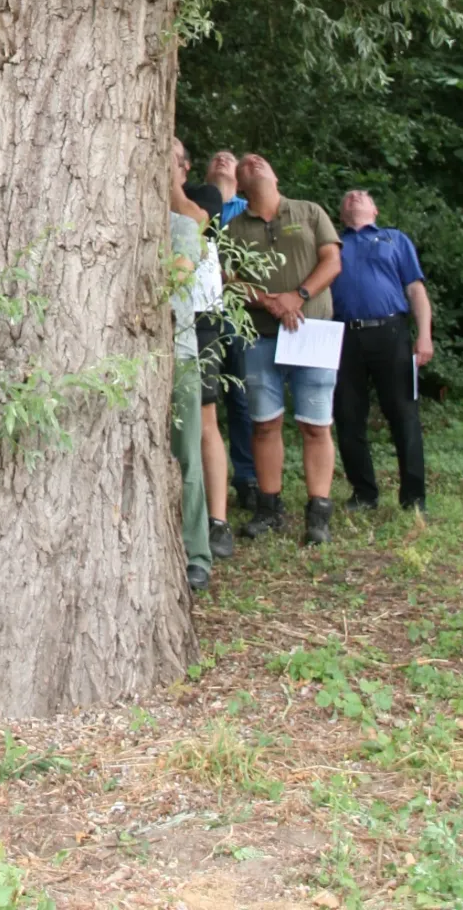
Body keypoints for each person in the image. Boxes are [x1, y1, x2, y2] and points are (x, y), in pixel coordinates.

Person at [224, 154, 342, 544]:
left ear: (275, 174)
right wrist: (269, 301)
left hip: (313, 330)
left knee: (315, 423)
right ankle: (269, 507)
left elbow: (332, 260)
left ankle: (318, 511)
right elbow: (229, 281)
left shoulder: (309, 211)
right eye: (246, 163)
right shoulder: (235, 227)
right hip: (261, 333)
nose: (253, 162)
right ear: (239, 184)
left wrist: (298, 295)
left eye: (261, 160)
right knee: (265, 423)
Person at [332, 190, 433, 513]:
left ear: (374, 210)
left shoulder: (395, 239)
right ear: (341, 212)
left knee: (404, 414)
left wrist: (425, 335)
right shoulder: (331, 243)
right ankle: (364, 493)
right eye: (348, 195)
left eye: (362, 195)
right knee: (348, 416)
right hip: (343, 336)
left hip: (391, 334)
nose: (355, 196)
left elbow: (415, 289)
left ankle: (414, 498)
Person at [175, 144, 233, 560]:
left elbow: (196, 222)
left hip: (201, 315)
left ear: (185, 165)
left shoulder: (203, 194)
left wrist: (168, 183)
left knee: (205, 418)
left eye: (171, 154)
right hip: (166, 315)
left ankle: (217, 521)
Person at [200, 149, 257, 512]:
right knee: (202, 402)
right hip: (198, 314)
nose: (222, 159)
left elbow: (256, 264)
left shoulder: (247, 211)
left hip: (236, 315)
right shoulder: (194, 202)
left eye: (229, 157)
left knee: (239, 397)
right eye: (215, 157)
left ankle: (247, 478)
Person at [169, 142, 213, 592]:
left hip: (177, 356)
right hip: (123, 366)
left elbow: (178, 273)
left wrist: (169, 180)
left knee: (186, 456)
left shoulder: (184, 223)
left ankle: (196, 553)